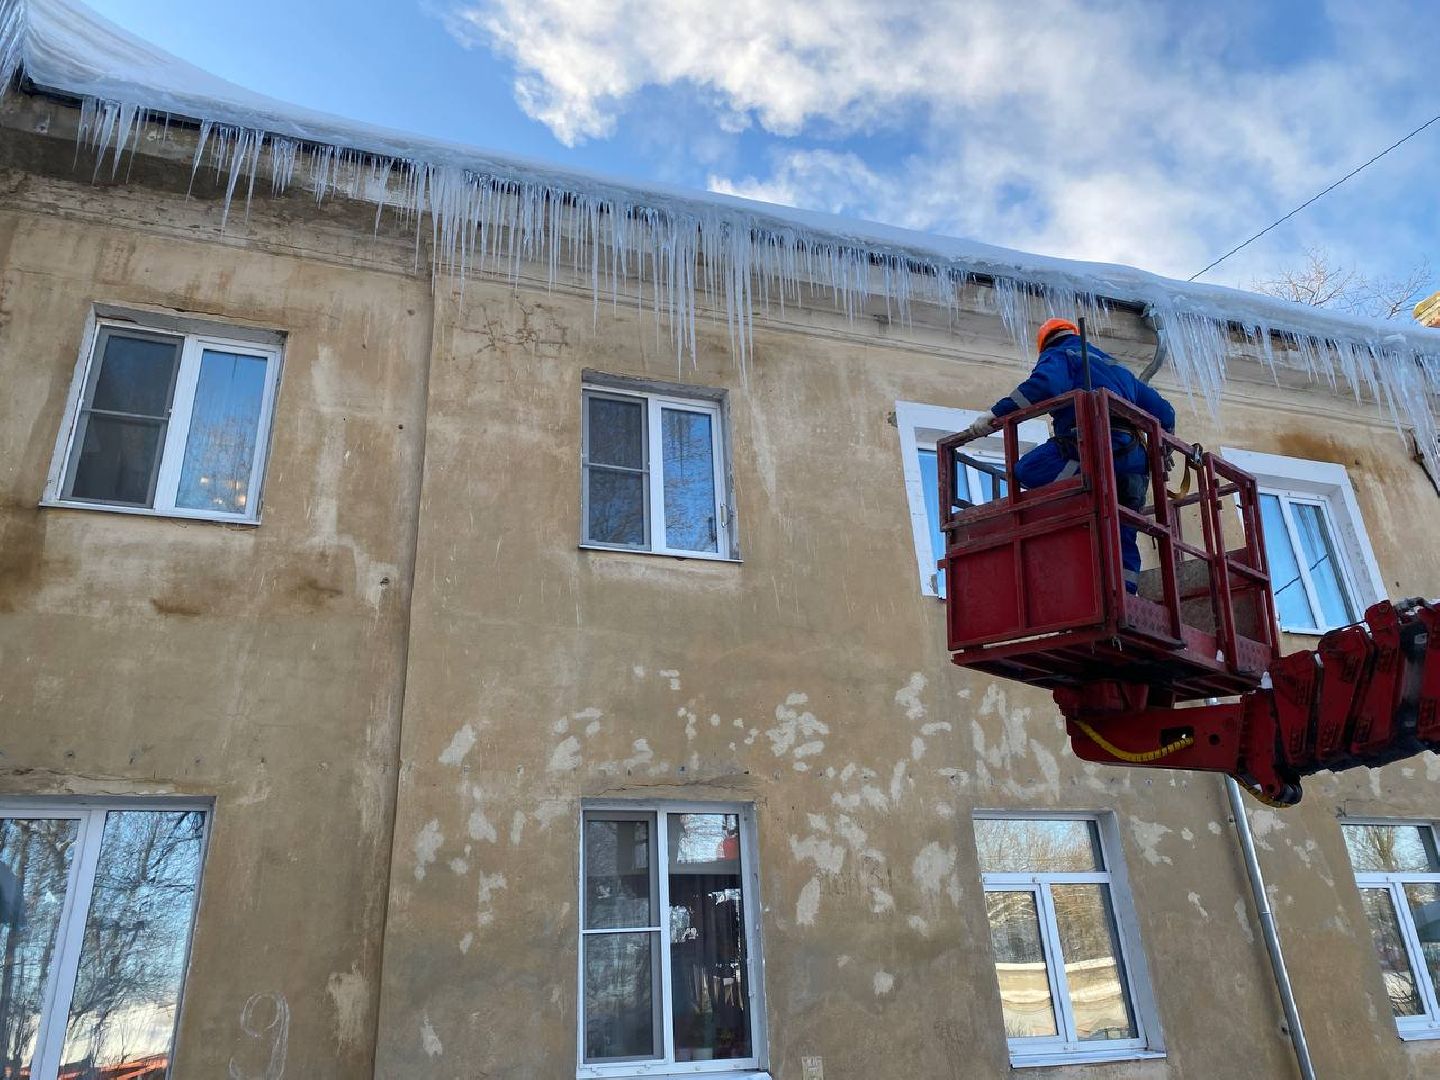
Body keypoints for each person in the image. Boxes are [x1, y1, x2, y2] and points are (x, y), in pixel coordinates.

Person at [961, 318, 1176, 594]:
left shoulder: (1059, 353)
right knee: (1124, 527)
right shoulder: (1117, 368)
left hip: (1090, 445)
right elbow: (1166, 413)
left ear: (1044, 344)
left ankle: (1079, 492)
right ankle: (1127, 594)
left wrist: (994, 415)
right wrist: (1165, 443)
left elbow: (1042, 386)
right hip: (1133, 461)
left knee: (1026, 470)